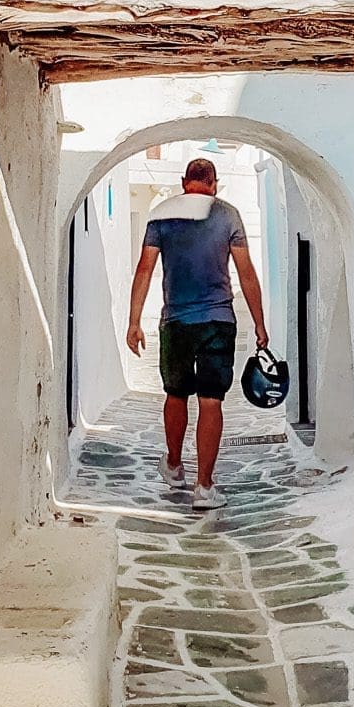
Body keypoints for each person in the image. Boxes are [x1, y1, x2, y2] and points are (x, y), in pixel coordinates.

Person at [126, 154, 267, 509]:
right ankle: (205, 487)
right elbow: (246, 272)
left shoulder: (162, 213)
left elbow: (145, 269)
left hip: (176, 321)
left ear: (182, 181)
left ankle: (174, 466)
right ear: (214, 183)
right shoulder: (228, 214)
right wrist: (260, 323)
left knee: (175, 394)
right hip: (218, 321)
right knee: (211, 400)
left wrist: (134, 321)